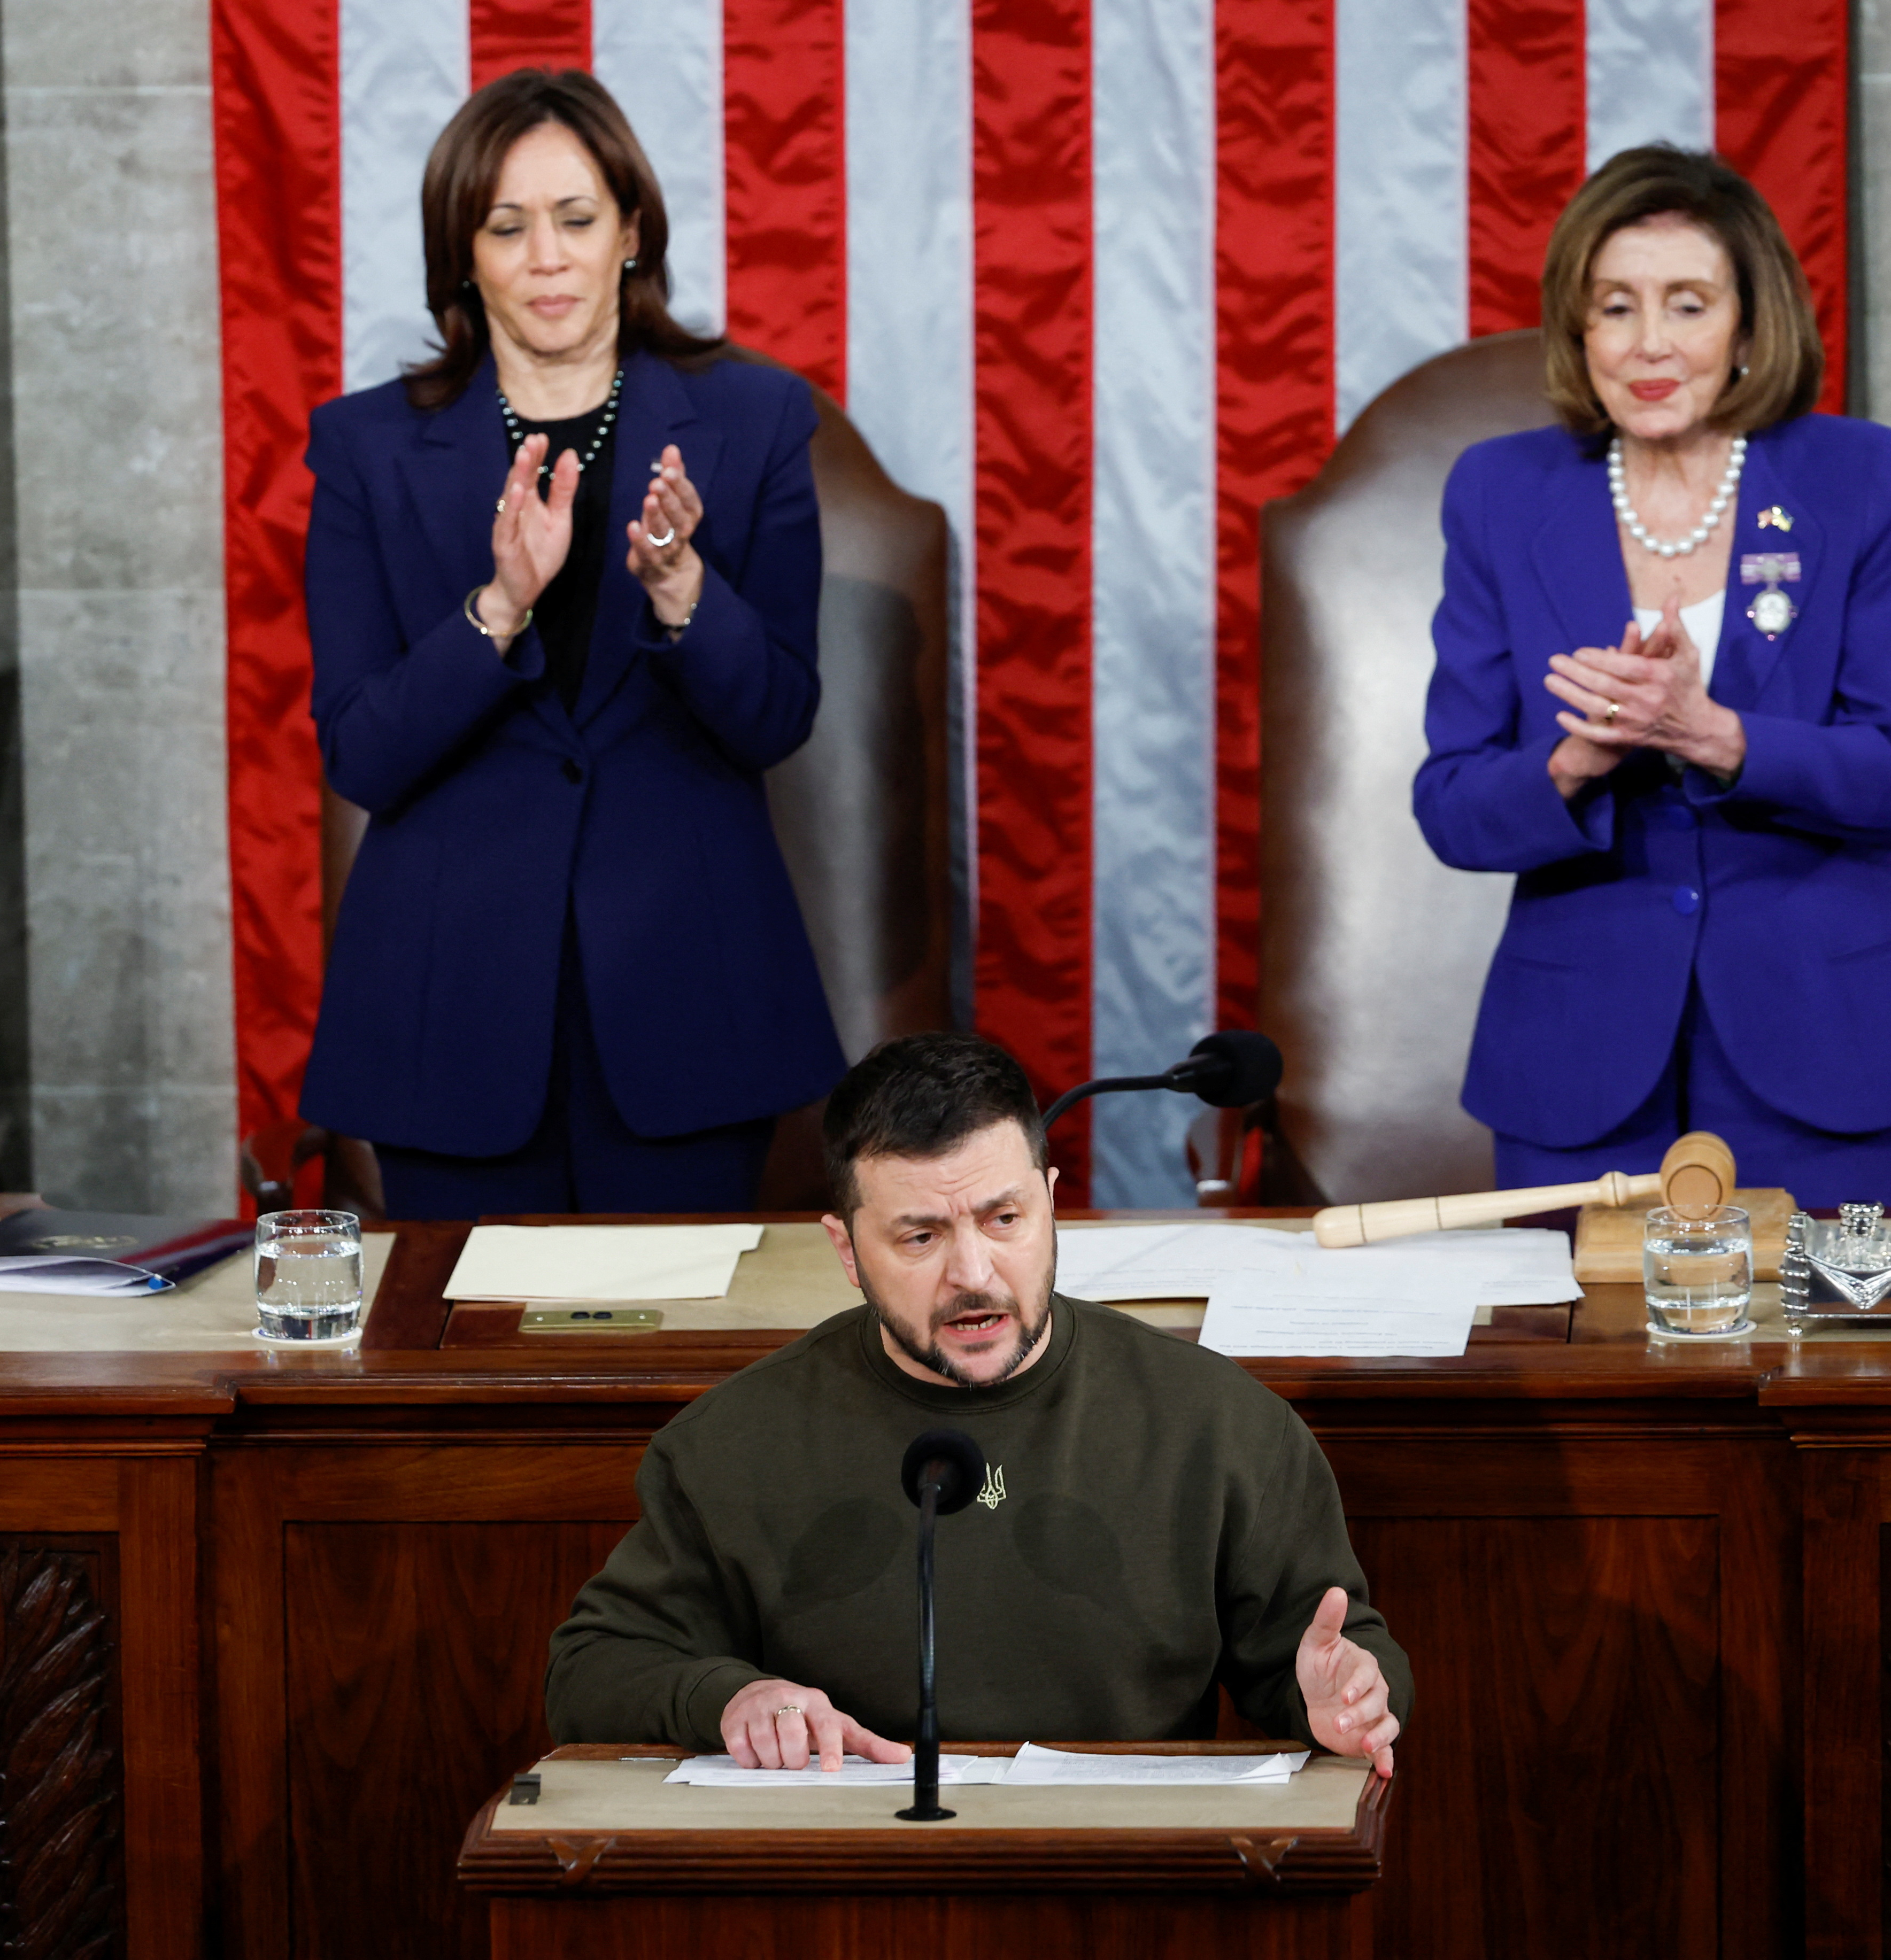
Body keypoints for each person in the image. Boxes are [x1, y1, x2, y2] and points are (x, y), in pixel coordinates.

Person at [547, 1032, 1411, 1773]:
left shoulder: (1217, 1424)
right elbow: (592, 1670)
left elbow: (1342, 1660)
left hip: (1129, 1893)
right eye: (921, 1236)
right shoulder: (734, 1443)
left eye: (1005, 1220)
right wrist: (727, 1696)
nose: (973, 1274)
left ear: (1051, 1201)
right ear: (846, 1251)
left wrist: (1346, 1698)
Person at [297, 69, 843, 1219]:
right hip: (448, 1011)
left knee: (683, 1381)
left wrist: (685, 589)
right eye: (506, 227)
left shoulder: (754, 424)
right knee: (468, 1386)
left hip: (689, 997)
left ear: (631, 234)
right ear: (463, 254)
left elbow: (776, 716)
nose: (546, 256)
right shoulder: (363, 451)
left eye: (577, 219)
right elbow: (361, 752)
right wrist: (495, 606)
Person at [1414, 145, 1891, 1208]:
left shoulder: (1860, 480)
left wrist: (1714, 733)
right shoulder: (1498, 494)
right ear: (1577, 333)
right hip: (1578, 1069)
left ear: (1750, 327)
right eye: (1613, 308)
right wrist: (1576, 760)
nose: (1648, 345)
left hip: (1824, 1049)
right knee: (1592, 1376)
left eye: (1687, 304)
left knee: (1802, 1368)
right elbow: (1449, 805)